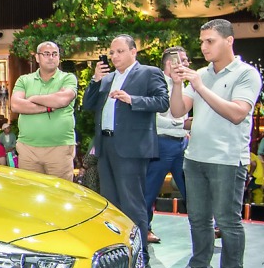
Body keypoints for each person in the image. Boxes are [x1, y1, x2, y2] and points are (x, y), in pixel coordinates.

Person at [165, 19, 263, 268]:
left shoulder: (246, 74)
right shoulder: (201, 74)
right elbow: (177, 111)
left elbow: (236, 113)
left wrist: (199, 85)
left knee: (228, 221)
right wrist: (177, 83)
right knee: (198, 219)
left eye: (210, 41)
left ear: (228, 41)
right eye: (202, 41)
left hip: (227, 159)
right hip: (195, 156)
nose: (204, 46)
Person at [83, 35, 169, 252]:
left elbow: (163, 101)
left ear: (133, 51)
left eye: (120, 51)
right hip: (106, 145)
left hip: (131, 148)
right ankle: (117, 251)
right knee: (110, 203)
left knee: (133, 203)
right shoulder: (108, 78)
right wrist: (95, 80)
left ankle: (140, 254)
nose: (114, 56)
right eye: (112, 52)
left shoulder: (149, 73)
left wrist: (132, 99)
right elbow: (88, 104)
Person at [142, 47, 190, 245]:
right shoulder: (156, 83)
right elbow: (157, 119)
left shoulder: (184, 84)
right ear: (171, 63)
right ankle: (143, 229)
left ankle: (204, 228)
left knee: (191, 188)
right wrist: (183, 124)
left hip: (182, 143)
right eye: (184, 60)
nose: (187, 64)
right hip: (161, 142)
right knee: (149, 191)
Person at [11, 41, 78, 181]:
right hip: (28, 149)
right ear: (37, 57)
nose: (51, 57)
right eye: (46, 54)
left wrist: (33, 98)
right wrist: (48, 107)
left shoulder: (68, 78)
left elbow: (63, 100)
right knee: (29, 194)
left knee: (61, 195)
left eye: (55, 54)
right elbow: (16, 105)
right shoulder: (24, 80)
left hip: (60, 148)